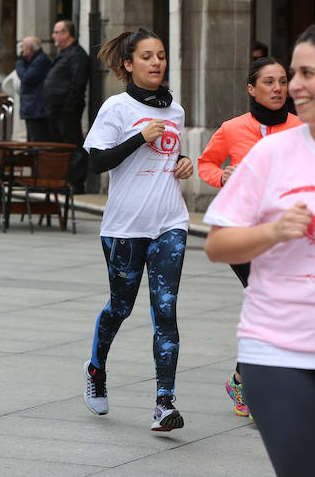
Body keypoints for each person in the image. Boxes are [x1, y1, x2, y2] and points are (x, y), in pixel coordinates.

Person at [203, 23, 315, 477]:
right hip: (279, 350)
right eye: (289, 75)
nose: (291, 86)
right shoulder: (269, 152)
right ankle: (240, 382)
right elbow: (217, 243)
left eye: (304, 73)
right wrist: (273, 232)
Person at [81, 27, 193, 432]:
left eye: (161, 55)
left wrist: (183, 163)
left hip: (170, 223)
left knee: (166, 311)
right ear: (129, 65)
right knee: (121, 308)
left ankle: (165, 402)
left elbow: (170, 154)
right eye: (147, 56)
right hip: (125, 227)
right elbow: (96, 163)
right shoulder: (116, 108)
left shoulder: (175, 110)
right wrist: (137, 137)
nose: (157, 63)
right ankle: (96, 369)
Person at [198, 57, 302, 419]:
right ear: (251, 88)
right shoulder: (232, 128)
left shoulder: (301, 127)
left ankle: (245, 377)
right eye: (269, 82)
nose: (277, 89)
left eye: (282, 82)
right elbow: (205, 163)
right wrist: (222, 177)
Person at [43, 20, 90, 190]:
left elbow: (78, 83)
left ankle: (75, 183)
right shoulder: (64, 54)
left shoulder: (77, 54)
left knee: (72, 145)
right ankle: (62, 181)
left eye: (56, 32)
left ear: (66, 33)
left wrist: (68, 106)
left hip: (67, 110)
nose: (53, 36)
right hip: (56, 110)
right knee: (60, 147)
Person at [14, 36, 51, 142]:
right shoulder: (32, 60)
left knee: (37, 140)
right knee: (31, 139)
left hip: (37, 108)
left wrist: (19, 63)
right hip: (32, 108)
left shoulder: (40, 60)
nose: (21, 50)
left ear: (30, 48)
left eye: (23, 47)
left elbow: (26, 77)